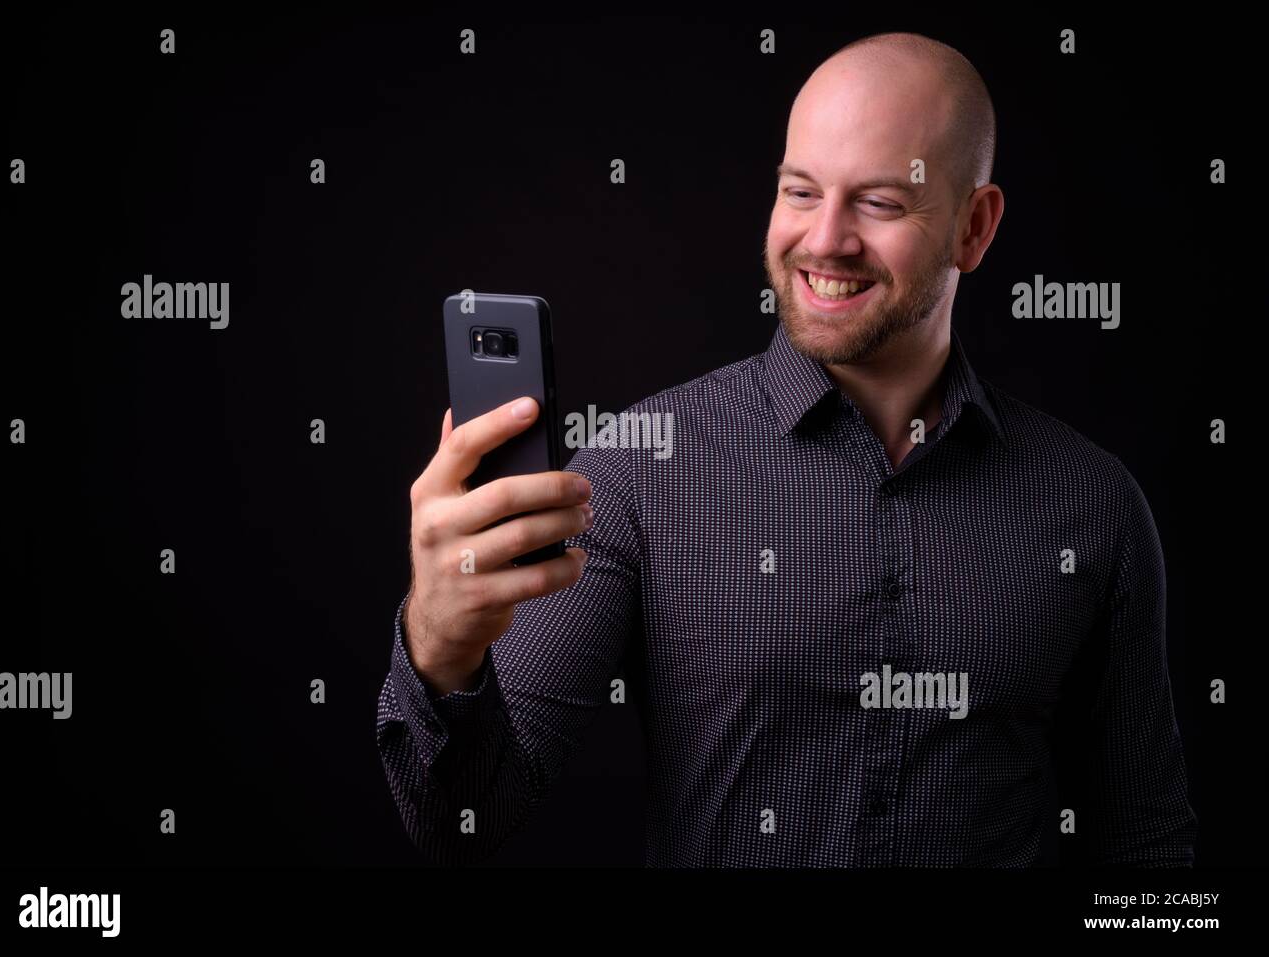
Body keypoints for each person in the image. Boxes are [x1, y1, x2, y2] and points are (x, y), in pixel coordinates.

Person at [376, 31, 1197, 866]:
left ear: (974, 228)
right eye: (800, 192)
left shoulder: (1093, 503)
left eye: (879, 203)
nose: (824, 240)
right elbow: (460, 819)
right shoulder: (633, 472)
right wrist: (440, 648)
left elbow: (1150, 846)